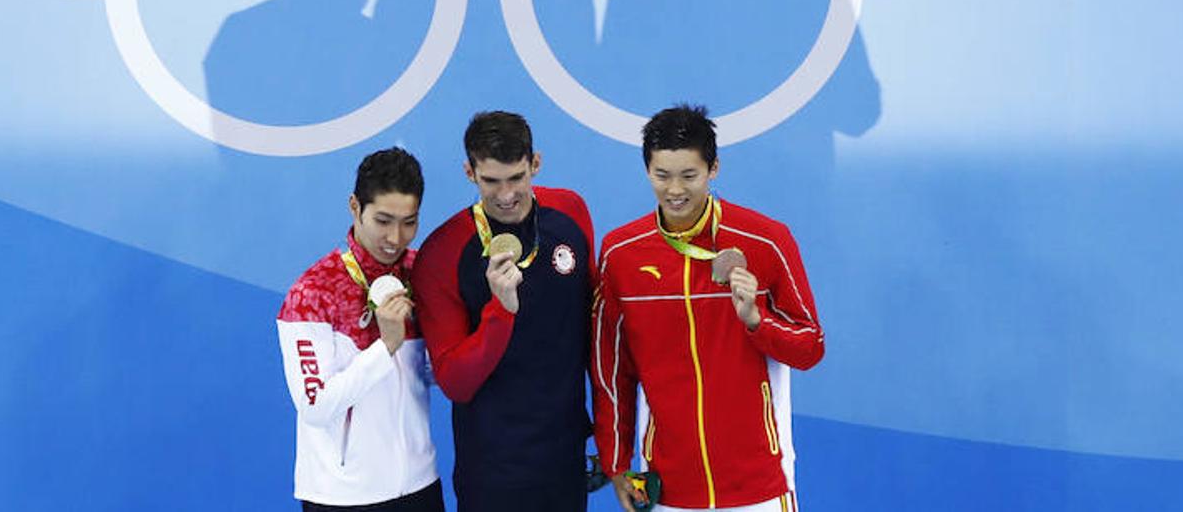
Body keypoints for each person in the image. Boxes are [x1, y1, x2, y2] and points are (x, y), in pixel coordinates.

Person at [592, 105, 825, 512]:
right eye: (662, 175)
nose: (675, 190)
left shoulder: (765, 241)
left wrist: (757, 321)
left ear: (713, 168)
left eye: (689, 175)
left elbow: (810, 347)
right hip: (668, 489)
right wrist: (616, 463)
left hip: (758, 487)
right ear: (647, 170)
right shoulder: (621, 254)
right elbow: (611, 371)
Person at [410, 111, 596, 512]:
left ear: (536, 164)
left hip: (565, 460)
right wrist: (501, 312)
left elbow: (591, 326)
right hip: (493, 472)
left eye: (516, 178)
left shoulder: (570, 214)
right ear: (469, 171)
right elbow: (455, 383)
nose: (506, 194)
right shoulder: (442, 253)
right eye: (490, 181)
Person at [276, 148, 443, 511]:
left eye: (409, 222)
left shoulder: (423, 273)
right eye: (383, 220)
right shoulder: (313, 293)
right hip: (343, 497)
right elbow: (316, 406)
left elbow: (433, 374)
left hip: (421, 485)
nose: (396, 238)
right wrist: (385, 347)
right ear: (355, 207)